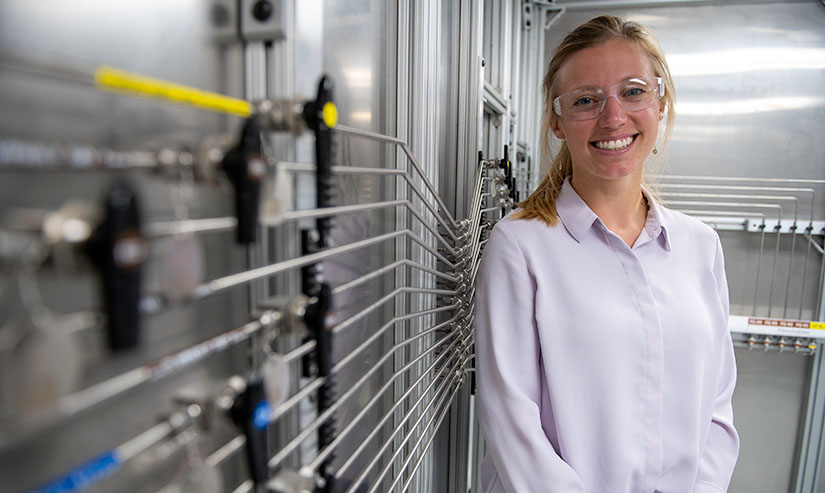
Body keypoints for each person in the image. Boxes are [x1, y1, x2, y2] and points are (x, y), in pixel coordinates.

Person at [475, 15, 739, 493]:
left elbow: (718, 408)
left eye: (633, 91)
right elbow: (511, 420)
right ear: (557, 122)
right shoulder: (521, 247)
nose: (613, 117)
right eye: (585, 100)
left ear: (661, 103)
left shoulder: (701, 247)